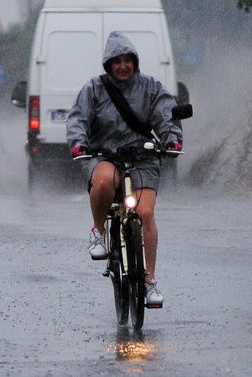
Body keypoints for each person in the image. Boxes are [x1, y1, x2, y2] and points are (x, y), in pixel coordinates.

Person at [66, 31, 183, 306]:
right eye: (116, 61)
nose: (122, 65)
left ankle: (149, 282)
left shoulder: (152, 87)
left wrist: (172, 139)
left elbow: (166, 115)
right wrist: (79, 144)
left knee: (145, 213)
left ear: (135, 62)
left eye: (127, 60)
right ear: (108, 64)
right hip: (104, 155)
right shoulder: (93, 89)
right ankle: (98, 232)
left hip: (143, 158)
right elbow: (77, 120)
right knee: (104, 182)